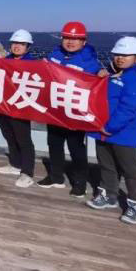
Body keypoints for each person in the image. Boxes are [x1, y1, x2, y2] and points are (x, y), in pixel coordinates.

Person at [86, 37, 136, 225]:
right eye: (117, 54)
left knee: (130, 171)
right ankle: (109, 195)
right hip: (103, 130)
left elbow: (129, 108)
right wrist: (99, 74)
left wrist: (110, 127)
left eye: (126, 55)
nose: (120, 58)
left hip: (124, 133)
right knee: (106, 165)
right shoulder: (113, 73)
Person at [40, 21, 102, 196]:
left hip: (75, 112)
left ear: (84, 41)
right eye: (67, 38)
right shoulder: (55, 55)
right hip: (55, 109)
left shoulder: (89, 61)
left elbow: (95, 84)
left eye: (75, 39)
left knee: (76, 147)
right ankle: (56, 176)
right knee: (54, 143)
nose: (70, 42)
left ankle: (80, 183)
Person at [0, 29, 36, 188]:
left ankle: (27, 172)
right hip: (4, 105)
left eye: (21, 44)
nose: (17, 46)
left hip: (20, 107)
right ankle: (15, 164)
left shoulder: (32, 64)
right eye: (14, 43)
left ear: (28, 47)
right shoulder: (6, 60)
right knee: (9, 136)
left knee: (23, 139)